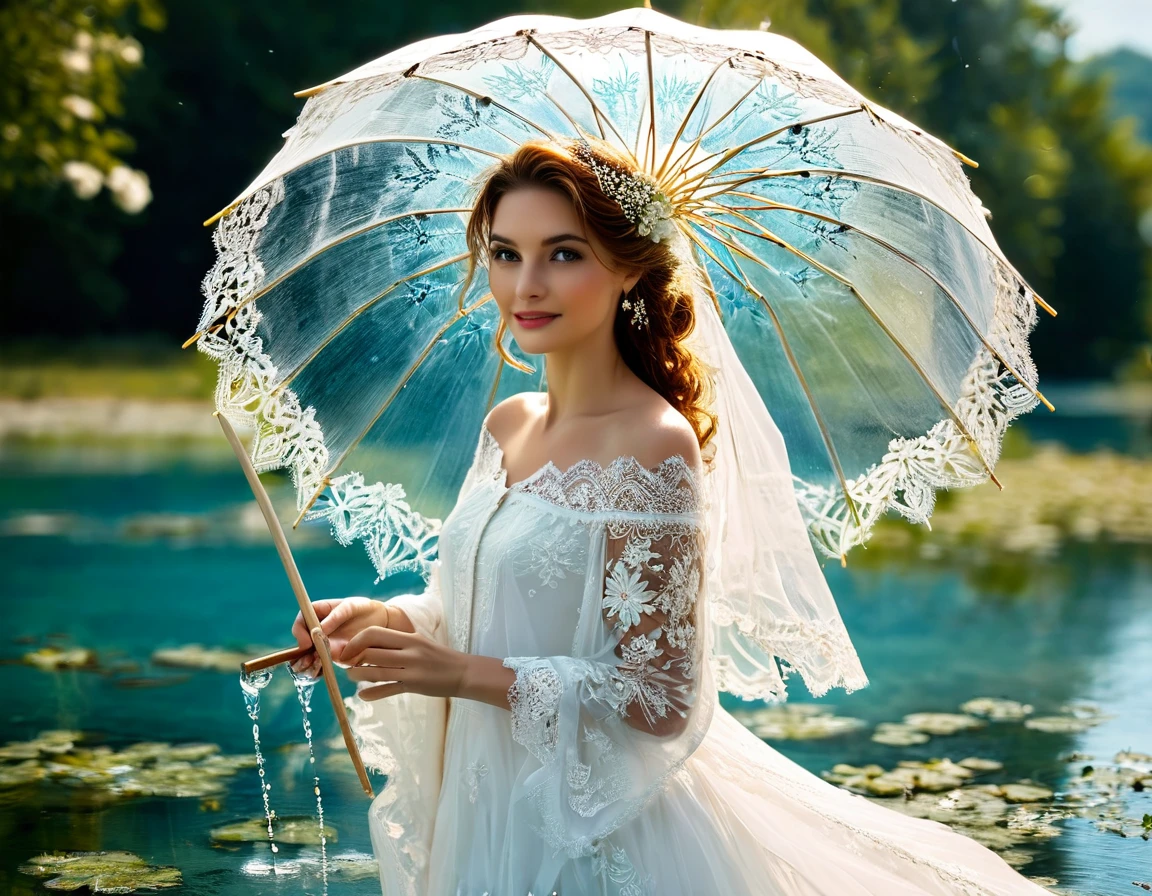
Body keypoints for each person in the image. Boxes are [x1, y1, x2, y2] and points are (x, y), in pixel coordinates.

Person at [289, 137, 1053, 895]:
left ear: (628, 268)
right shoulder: (507, 425)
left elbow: (658, 697)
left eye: (562, 254)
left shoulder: (653, 445)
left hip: (595, 828)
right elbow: (477, 610)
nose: (526, 284)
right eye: (504, 252)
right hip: (484, 799)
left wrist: (458, 674)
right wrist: (383, 620)